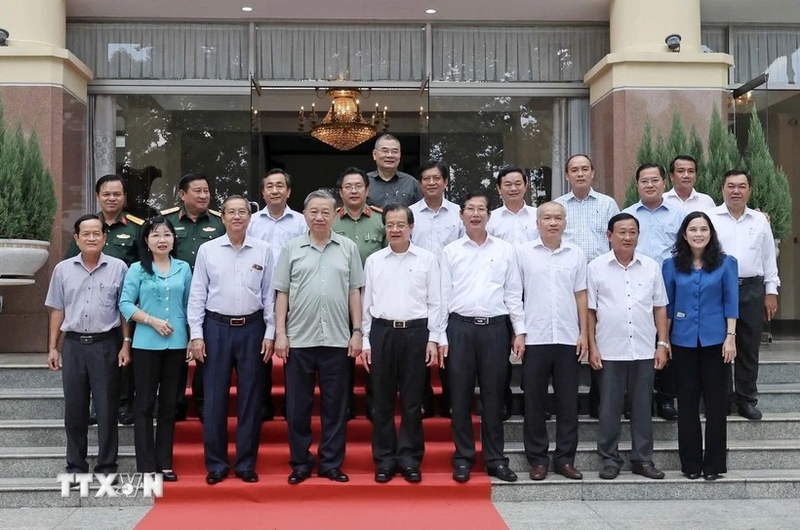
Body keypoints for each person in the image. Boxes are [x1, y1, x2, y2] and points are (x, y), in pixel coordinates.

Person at [273, 190, 364, 485]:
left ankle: (330, 463)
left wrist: (357, 331)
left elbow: (355, 292)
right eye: (314, 212)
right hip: (299, 340)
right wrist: (280, 334)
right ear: (305, 214)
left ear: (335, 213)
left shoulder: (348, 248)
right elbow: (282, 293)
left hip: (338, 340)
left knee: (335, 407)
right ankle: (300, 463)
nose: (319, 217)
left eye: (325, 211)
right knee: (297, 407)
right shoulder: (291, 249)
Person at [187, 196, 275, 485]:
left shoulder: (263, 250)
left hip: (252, 328)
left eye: (242, 212)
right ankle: (216, 464)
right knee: (214, 399)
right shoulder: (207, 250)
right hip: (216, 327)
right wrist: (196, 335)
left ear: (250, 217)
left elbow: (270, 296)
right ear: (222, 218)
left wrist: (270, 332)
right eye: (231, 212)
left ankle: (247, 463)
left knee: (251, 399)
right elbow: (198, 293)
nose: (237, 217)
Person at [440, 191, 525, 484]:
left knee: (493, 397)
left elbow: (513, 293)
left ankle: (495, 459)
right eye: (470, 209)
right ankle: (463, 458)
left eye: (481, 209)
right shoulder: (450, 252)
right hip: (459, 329)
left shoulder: (505, 250)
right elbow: (441, 297)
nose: (476, 214)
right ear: (461, 215)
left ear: (489, 215)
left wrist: (519, 331)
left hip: (494, 329)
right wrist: (439, 336)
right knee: (460, 397)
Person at [361, 203, 443, 484]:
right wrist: (365, 340)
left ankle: (409, 460)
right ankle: (384, 460)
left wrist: (434, 338)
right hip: (382, 333)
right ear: (385, 228)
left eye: (401, 225)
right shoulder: (374, 261)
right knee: (382, 401)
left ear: (411, 227)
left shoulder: (427, 259)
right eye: (390, 225)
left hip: (416, 333)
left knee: (411, 400)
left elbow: (436, 302)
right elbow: (366, 304)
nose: (395, 230)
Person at [46, 214, 131, 482]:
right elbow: (57, 309)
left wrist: (125, 344)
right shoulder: (62, 269)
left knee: (106, 410)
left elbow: (124, 311)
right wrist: (53, 347)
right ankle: (75, 466)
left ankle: (107, 467)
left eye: (97, 233)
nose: (92, 238)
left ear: (105, 237)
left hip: (106, 344)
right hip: (73, 346)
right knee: (74, 409)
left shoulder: (119, 268)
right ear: (77, 238)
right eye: (86, 234)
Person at [588, 213, 669, 481]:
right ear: (609, 236)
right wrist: (592, 346)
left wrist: (662, 343)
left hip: (644, 347)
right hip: (609, 348)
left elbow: (660, 306)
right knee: (609, 407)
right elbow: (590, 311)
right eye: (621, 232)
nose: (627, 237)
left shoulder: (650, 267)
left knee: (643, 406)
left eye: (632, 232)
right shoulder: (596, 267)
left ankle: (642, 459)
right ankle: (610, 459)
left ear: (638, 235)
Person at [662, 211, 738, 481]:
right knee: (687, 403)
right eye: (693, 229)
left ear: (711, 233)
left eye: (703, 229)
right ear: (685, 234)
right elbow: (667, 306)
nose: (698, 234)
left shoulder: (726, 264)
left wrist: (731, 336)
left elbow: (731, 302)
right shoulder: (671, 266)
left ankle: (714, 464)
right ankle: (691, 464)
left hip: (716, 341)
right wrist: (664, 340)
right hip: (682, 341)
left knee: (716, 404)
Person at [516, 202, 587, 481]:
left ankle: (565, 459)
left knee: (568, 402)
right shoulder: (523, 253)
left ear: (565, 222)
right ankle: (538, 459)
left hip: (568, 337)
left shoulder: (576, 254)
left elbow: (581, 295)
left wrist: (584, 333)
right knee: (534, 401)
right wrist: (519, 331)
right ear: (538, 222)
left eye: (558, 217)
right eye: (547, 217)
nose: (553, 222)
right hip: (535, 336)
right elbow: (514, 294)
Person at [65, 174, 142, 426]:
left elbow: (144, 266)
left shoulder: (136, 228)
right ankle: (92, 407)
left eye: (117, 194)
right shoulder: (86, 226)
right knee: (90, 363)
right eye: (106, 194)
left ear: (124, 197)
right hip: (92, 304)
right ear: (98, 197)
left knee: (124, 356)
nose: (112, 198)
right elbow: (68, 264)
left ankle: (122, 405)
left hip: (126, 305)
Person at [119, 217, 192, 482]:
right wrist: (151, 320)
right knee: (145, 403)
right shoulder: (137, 269)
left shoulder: (184, 268)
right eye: (155, 235)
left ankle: (165, 463)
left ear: (174, 240)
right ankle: (147, 465)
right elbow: (125, 304)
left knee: (170, 405)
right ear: (146, 241)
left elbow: (189, 306)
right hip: (146, 344)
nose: (162, 239)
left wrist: (192, 339)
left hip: (177, 344)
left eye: (167, 235)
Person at [708, 170, 780, 420]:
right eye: (730, 186)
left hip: (751, 289)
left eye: (741, 186)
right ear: (722, 190)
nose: (735, 191)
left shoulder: (760, 221)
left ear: (749, 190)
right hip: (717, 289)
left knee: (748, 345)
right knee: (719, 343)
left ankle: (747, 398)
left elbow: (769, 258)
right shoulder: (710, 218)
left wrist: (771, 291)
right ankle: (723, 398)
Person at [554, 154, 620, 418]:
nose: (579, 174)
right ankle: (564, 396)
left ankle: (598, 398)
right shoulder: (558, 206)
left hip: (602, 279)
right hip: (566, 283)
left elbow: (616, 238)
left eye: (584, 169)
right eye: (574, 170)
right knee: (572, 335)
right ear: (567, 176)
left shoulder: (607, 204)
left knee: (600, 336)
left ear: (593, 173)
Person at [623, 163, 684, 421]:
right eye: (644, 181)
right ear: (637, 185)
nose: (649, 185)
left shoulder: (678, 213)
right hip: (632, 284)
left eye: (654, 180)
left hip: (669, 283)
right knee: (634, 339)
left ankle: (666, 397)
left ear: (663, 183)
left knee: (666, 338)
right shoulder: (626, 214)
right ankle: (636, 399)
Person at [162, 173, 225, 423]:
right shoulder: (166, 221)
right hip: (174, 298)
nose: (203, 196)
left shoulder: (220, 223)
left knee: (204, 354)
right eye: (197, 191)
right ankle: (175, 404)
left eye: (206, 191)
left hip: (209, 299)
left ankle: (202, 403)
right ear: (182, 194)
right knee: (176, 354)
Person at [247, 168, 307, 422]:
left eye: (280, 186)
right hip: (258, 292)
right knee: (261, 348)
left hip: (294, 292)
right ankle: (263, 403)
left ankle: (291, 405)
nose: (274, 190)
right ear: (263, 192)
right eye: (269, 186)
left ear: (289, 191)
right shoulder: (252, 221)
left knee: (292, 349)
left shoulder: (301, 221)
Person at [409, 159, 464, 418]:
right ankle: (423, 401)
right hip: (417, 288)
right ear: (420, 183)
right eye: (426, 179)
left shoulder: (458, 214)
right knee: (420, 345)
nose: (431, 183)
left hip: (452, 287)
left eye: (436, 178)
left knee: (449, 347)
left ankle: (452, 401)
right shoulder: (410, 214)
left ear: (445, 182)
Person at [333, 167, 386, 420]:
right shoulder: (329, 220)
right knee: (340, 354)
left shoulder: (381, 219)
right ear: (340, 192)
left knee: (373, 351)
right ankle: (344, 404)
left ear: (367, 190)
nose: (353, 191)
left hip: (374, 297)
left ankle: (375, 402)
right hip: (338, 297)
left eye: (358, 186)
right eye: (348, 187)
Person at [486, 166, 539, 419]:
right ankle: (504, 399)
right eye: (507, 184)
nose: (513, 188)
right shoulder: (491, 219)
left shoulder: (538, 216)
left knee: (535, 347)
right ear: (498, 189)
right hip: (502, 292)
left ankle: (535, 399)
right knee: (502, 350)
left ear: (526, 185)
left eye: (518, 183)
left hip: (535, 290)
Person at [367, 134, 423, 208]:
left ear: (400, 155)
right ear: (374, 154)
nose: (390, 155)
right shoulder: (364, 181)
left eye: (394, 151)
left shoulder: (411, 183)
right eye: (385, 151)